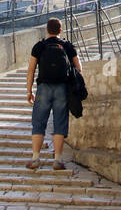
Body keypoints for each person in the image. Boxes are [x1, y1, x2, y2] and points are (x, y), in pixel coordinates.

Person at [26, 18, 80, 171]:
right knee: (60, 123)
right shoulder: (67, 46)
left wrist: (29, 91)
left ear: (47, 30)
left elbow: (30, 70)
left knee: (38, 123)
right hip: (62, 88)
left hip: (43, 87)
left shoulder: (39, 46)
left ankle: (35, 158)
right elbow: (79, 68)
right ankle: (57, 161)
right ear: (60, 31)